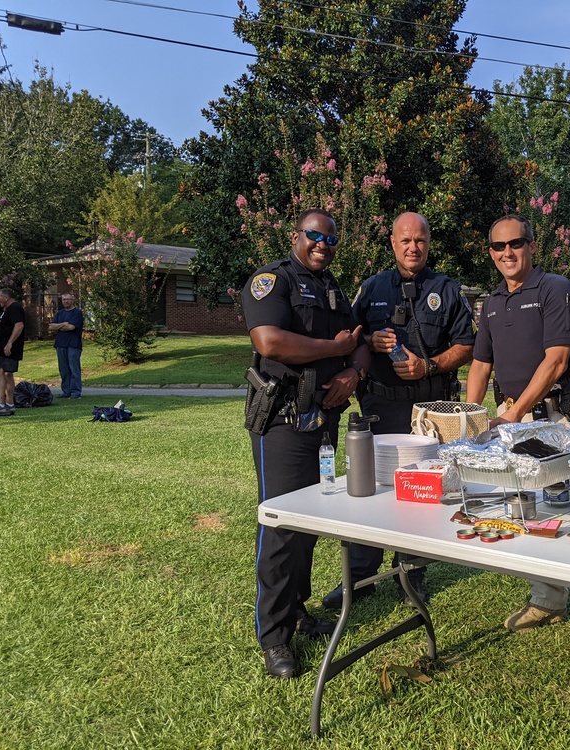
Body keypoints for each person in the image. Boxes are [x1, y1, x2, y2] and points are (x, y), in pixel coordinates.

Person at [465, 214, 570, 669]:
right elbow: (480, 365)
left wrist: (510, 415)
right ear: (490, 251)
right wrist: (468, 419)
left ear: (532, 246)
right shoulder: (492, 302)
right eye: (498, 247)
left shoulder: (557, 290)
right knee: (528, 513)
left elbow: (556, 362)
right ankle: (548, 600)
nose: (507, 253)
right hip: (514, 425)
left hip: (561, 422)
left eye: (516, 243)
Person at [321, 212, 475, 610]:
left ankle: (412, 574)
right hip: (378, 406)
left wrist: (431, 365)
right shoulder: (371, 287)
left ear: (428, 243)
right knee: (368, 489)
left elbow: (467, 345)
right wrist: (369, 341)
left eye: (420, 240)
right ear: (392, 243)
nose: (413, 247)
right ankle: (360, 576)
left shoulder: (447, 288)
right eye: (405, 240)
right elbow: (350, 338)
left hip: (426, 412)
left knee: (420, 492)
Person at [242, 208, 370, 680]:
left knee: (311, 520)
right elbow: (271, 341)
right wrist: (334, 350)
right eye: (314, 236)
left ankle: (296, 610)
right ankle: (274, 636)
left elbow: (358, 340)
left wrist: (352, 370)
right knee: (279, 525)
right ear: (296, 236)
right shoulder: (271, 282)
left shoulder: (335, 287)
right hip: (281, 423)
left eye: (331, 239)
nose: (323, 244)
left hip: (323, 421)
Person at [0, 288, 26, 417]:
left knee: (6, 373)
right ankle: (2, 403)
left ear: (6, 297)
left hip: (10, 347)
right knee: (1, 372)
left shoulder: (15, 308)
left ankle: (6, 403)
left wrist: (10, 343)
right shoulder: (5, 310)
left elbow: (19, 325)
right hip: (2, 347)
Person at [49, 292, 84, 398]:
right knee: (63, 369)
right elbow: (51, 327)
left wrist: (59, 326)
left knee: (74, 369)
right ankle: (66, 391)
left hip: (73, 344)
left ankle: (75, 392)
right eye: (64, 299)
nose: (66, 301)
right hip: (60, 344)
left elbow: (71, 327)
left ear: (72, 299)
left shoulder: (77, 313)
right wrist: (63, 324)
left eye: (68, 299)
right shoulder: (59, 313)